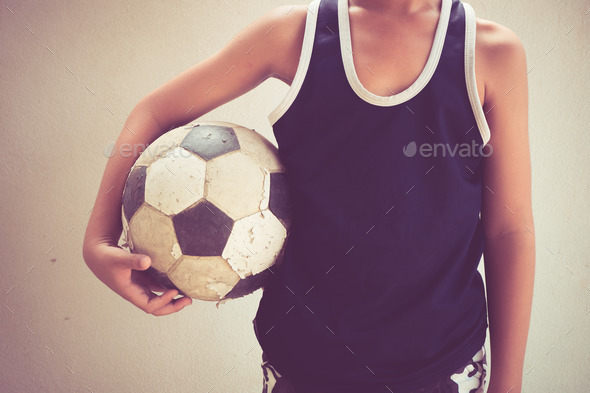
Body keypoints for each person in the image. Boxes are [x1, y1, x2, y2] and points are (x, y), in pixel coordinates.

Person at [82, 0, 535, 392]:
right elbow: (153, 112)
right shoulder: (295, 34)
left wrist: (508, 383)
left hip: (445, 364)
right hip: (305, 362)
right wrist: (98, 240)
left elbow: (509, 228)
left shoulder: (491, 53)